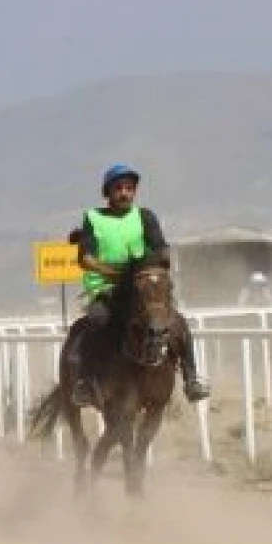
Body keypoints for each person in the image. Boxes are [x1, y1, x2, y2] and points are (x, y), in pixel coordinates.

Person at [66, 164, 210, 407]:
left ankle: (191, 378)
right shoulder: (93, 218)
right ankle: (85, 382)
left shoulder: (145, 216)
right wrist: (117, 273)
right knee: (95, 320)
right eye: (119, 188)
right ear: (108, 193)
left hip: (141, 287)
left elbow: (161, 248)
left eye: (129, 189)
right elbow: (86, 259)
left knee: (177, 322)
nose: (124, 193)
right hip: (106, 288)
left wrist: (156, 263)